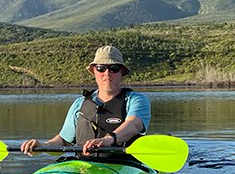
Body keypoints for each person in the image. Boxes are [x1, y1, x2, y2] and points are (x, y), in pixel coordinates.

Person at [20, 45, 151, 157]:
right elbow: (64, 141)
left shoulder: (136, 100)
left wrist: (107, 140)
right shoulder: (80, 104)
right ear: (94, 70)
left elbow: (133, 125)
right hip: (84, 166)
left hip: (124, 165)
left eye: (114, 68)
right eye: (101, 68)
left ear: (121, 71)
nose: (107, 73)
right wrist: (43, 146)